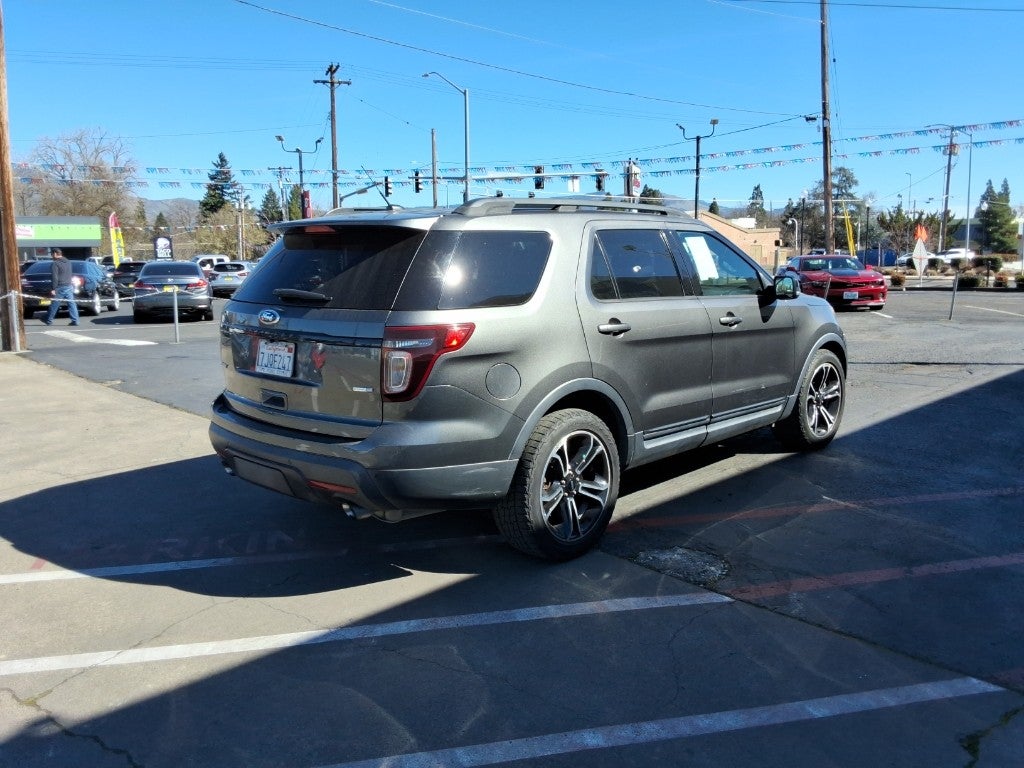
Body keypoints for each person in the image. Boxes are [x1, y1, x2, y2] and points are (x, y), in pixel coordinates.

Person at [44, 248, 79, 326]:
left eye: (52, 254)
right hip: (69, 285)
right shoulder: (68, 262)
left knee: (55, 303)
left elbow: (54, 277)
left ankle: (48, 320)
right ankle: (75, 320)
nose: (51, 256)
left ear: (55, 254)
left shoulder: (55, 263)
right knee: (71, 304)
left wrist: (53, 288)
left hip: (60, 286)